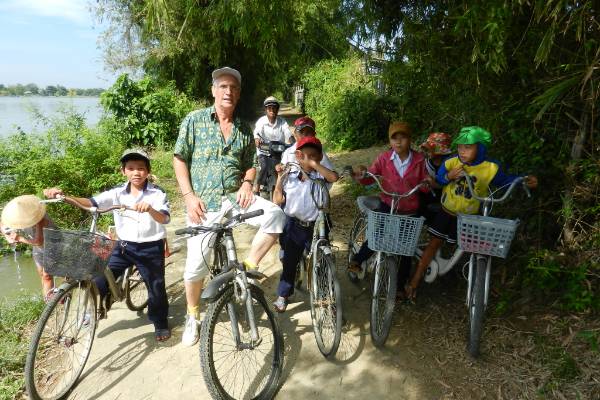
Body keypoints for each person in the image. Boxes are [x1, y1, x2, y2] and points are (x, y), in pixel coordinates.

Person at [173, 67, 286, 346]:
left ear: (238, 94)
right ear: (213, 90)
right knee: (195, 268)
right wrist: (188, 195)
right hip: (202, 204)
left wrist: (249, 182)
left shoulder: (243, 129)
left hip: (235, 198)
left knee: (276, 215)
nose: (228, 91)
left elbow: (252, 163)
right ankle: (193, 315)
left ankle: (248, 267)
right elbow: (179, 159)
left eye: (234, 87)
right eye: (223, 86)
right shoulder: (194, 120)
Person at [44, 149, 172, 342]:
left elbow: (164, 218)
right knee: (98, 279)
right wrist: (64, 197)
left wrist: (150, 209)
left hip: (150, 247)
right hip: (123, 246)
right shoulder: (116, 193)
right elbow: (91, 202)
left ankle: (160, 322)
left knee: (156, 287)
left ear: (147, 171)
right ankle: (96, 310)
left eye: (141, 168)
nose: (136, 172)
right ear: (123, 171)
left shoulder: (157, 193)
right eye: (131, 168)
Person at [406, 126, 538, 300]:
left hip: (467, 218)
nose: (462, 151)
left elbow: (505, 181)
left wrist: (522, 180)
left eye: (468, 147)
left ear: (480, 148)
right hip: (446, 212)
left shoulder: (491, 168)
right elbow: (438, 180)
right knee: (433, 244)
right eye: (460, 147)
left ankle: (460, 278)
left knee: (464, 246)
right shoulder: (451, 162)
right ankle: (414, 282)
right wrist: (449, 177)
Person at [348, 122, 430, 296]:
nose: (399, 142)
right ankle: (357, 260)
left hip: (409, 208)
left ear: (410, 140)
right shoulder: (384, 159)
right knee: (378, 235)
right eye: (395, 138)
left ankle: (400, 287)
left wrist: (427, 182)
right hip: (388, 203)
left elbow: (426, 182)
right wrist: (362, 175)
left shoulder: (420, 160)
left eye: (403, 138)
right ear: (390, 141)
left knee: (406, 248)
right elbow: (370, 177)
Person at [272, 136, 339, 312]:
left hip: (316, 226)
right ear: (297, 155)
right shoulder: (290, 175)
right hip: (294, 224)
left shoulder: (320, 176)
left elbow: (334, 177)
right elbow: (277, 200)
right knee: (290, 261)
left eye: (314, 156)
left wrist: (314, 164)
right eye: (304, 155)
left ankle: (326, 296)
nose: (308, 159)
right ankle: (284, 294)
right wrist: (280, 178)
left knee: (322, 260)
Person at [1, 195, 56, 298]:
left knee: (47, 276)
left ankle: (50, 304)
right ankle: (49, 300)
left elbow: (39, 241)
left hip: (54, 244)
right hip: (38, 247)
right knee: (42, 275)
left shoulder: (39, 218)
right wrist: (7, 236)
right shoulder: (16, 217)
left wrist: (19, 238)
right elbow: (2, 223)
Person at [253, 96, 292, 194]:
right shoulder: (261, 121)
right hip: (264, 151)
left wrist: (293, 142)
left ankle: (284, 190)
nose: (272, 110)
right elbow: (256, 132)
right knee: (264, 166)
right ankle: (256, 188)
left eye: (274, 108)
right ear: (266, 110)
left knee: (284, 169)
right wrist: (257, 139)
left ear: (277, 110)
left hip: (279, 152)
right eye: (269, 108)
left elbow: (288, 133)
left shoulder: (282, 122)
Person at [419, 132, 453, 224]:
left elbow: (452, 184)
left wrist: (435, 184)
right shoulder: (426, 162)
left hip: (447, 195)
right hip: (429, 192)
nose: (427, 152)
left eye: (429, 150)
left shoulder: (450, 163)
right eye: (426, 150)